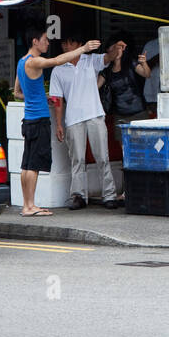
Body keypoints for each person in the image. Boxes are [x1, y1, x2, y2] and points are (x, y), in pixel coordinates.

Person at [17, 23, 100, 218]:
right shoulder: (34, 62)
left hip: (28, 120)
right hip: (38, 120)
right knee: (34, 165)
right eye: (45, 40)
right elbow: (56, 61)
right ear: (35, 41)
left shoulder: (21, 62)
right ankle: (30, 206)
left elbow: (17, 92)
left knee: (26, 165)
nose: (48, 43)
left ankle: (26, 205)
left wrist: (41, 97)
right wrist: (83, 49)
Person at [50, 35, 125, 210]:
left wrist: (117, 47)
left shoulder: (91, 60)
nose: (66, 46)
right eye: (64, 43)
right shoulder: (58, 69)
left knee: (102, 157)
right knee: (77, 159)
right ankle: (78, 196)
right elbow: (57, 99)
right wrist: (59, 124)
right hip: (73, 118)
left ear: (78, 43)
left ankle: (109, 194)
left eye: (70, 42)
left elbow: (108, 57)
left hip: (95, 114)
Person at [101, 34, 151, 141]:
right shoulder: (106, 71)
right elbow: (94, 87)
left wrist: (144, 63)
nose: (116, 51)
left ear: (123, 49)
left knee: (142, 145)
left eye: (119, 48)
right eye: (113, 48)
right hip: (120, 116)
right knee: (124, 146)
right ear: (108, 51)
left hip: (139, 113)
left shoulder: (131, 63)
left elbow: (146, 74)